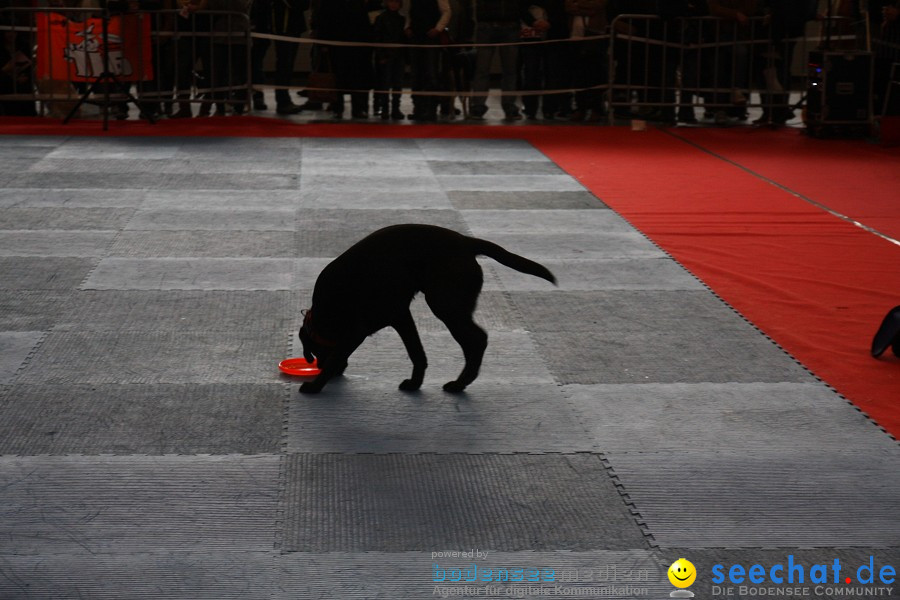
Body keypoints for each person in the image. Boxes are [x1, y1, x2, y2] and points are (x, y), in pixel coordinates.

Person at [468, 0, 533, 120]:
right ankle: (478, 106)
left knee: (510, 70)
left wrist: (531, 21)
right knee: (482, 69)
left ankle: (509, 106)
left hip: (511, 26)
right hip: (486, 25)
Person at [314, 0, 379, 119]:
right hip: (336, 43)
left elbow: (371, 17)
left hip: (359, 43)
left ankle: (359, 108)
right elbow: (323, 17)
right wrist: (323, 42)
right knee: (337, 76)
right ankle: (337, 107)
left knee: (359, 77)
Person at [250, 0, 310, 115]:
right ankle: (265, 98)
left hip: (289, 26)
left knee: (286, 64)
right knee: (264, 62)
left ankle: (283, 100)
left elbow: (304, 5)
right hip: (271, 23)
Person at [406, 0, 451, 121]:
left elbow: (446, 12)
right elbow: (409, 12)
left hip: (431, 38)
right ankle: (418, 109)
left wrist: (438, 29)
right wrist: (408, 27)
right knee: (416, 75)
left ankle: (431, 109)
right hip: (416, 37)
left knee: (432, 74)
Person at [564, 0, 607, 121]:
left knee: (595, 74)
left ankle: (596, 109)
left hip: (595, 36)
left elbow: (598, 6)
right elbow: (568, 7)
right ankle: (580, 108)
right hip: (575, 36)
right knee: (578, 75)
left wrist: (578, 5)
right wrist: (586, 8)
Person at [372, 0, 407, 120]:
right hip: (386, 56)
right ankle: (385, 109)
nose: (394, 4)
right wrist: (381, 55)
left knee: (398, 84)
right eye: (391, 1)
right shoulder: (381, 18)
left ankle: (396, 109)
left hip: (399, 56)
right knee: (384, 84)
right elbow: (377, 38)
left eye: (396, 2)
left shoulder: (402, 19)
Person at [0, 18, 36, 117]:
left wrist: (25, 77)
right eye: (8, 31)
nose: (12, 34)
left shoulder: (24, 45)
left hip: (23, 83)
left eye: (14, 31)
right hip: (5, 84)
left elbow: (30, 66)